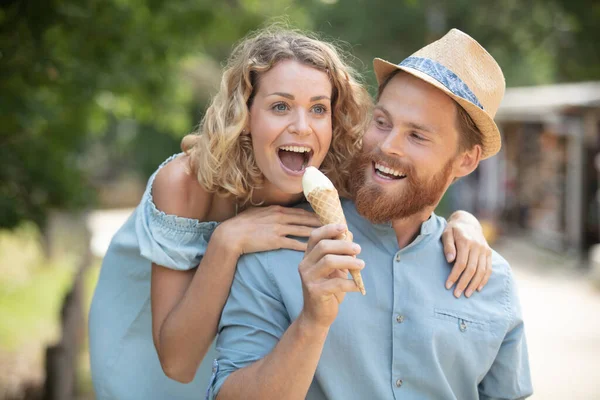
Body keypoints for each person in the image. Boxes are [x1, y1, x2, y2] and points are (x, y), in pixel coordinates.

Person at [88, 27, 494, 400]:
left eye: (318, 109)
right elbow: (176, 363)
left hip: (234, 348)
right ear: (245, 115)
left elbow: (409, 194)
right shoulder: (186, 184)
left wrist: (463, 222)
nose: (302, 127)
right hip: (153, 331)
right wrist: (228, 241)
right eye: (280, 106)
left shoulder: (333, 170)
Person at [211, 29, 533, 400]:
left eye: (417, 136)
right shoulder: (276, 247)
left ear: (466, 160)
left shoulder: (493, 281)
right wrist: (311, 324)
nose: (387, 145)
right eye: (382, 122)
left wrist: (466, 219)